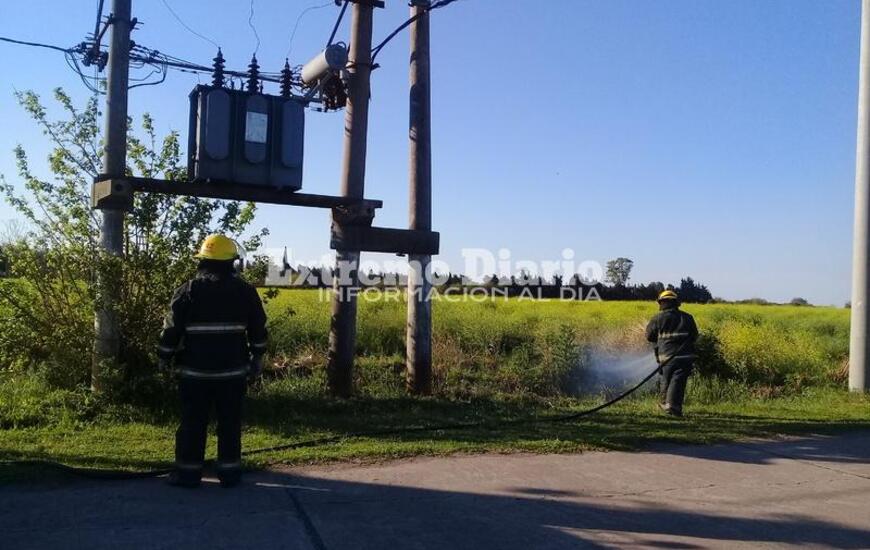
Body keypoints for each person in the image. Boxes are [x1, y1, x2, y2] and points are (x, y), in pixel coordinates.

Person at [156, 234, 268, 488]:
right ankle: (229, 474)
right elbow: (258, 328)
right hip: (233, 373)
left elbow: (171, 330)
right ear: (232, 262)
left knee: (192, 423)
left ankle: (187, 474)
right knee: (230, 424)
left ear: (202, 261)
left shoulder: (187, 291)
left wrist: (164, 356)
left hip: (194, 374)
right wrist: (258, 357)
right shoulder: (245, 292)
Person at [645, 289, 698, 417]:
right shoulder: (687, 317)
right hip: (685, 356)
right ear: (676, 303)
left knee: (667, 379)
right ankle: (671, 407)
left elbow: (649, 336)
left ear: (662, 303)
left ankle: (668, 406)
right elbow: (694, 336)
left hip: (665, 357)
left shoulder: (657, 318)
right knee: (678, 381)